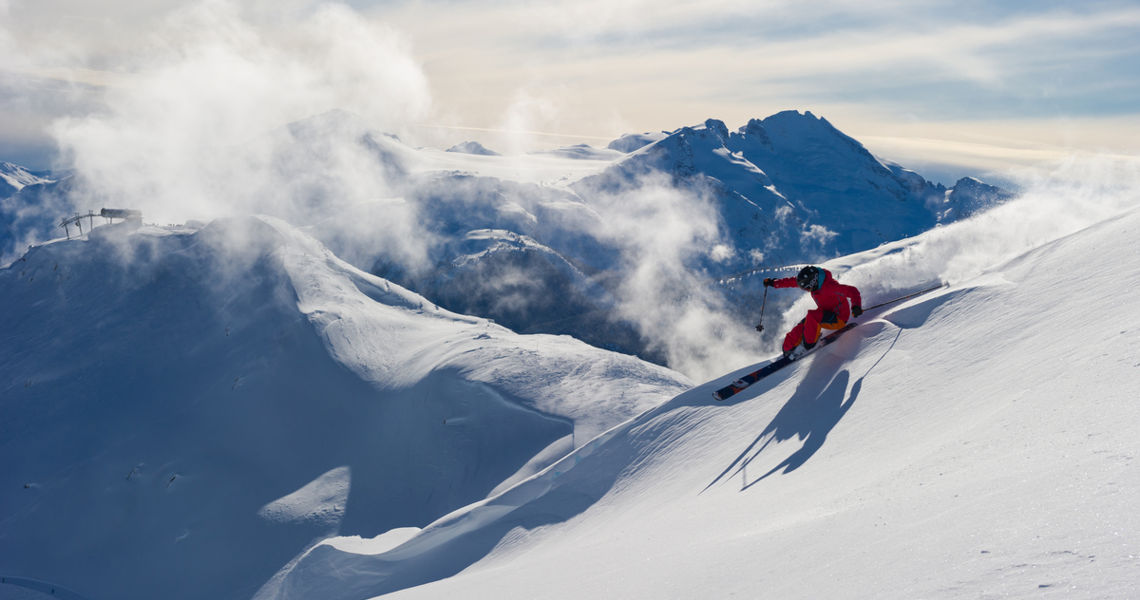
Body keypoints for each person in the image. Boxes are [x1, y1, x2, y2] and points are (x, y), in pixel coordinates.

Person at [764, 265, 863, 359]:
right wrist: (773, 283)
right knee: (803, 325)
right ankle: (788, 349)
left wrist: (856, 306)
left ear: (813, 283)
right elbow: (792, 282)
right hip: (825, 313)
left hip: (839, 318)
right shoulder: (812, 282)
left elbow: (852, 291)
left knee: (812, 316)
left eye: (807, 288)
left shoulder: (830, 286)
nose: (807, 290)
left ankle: (808, 345)